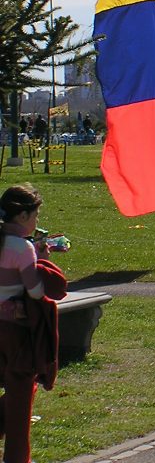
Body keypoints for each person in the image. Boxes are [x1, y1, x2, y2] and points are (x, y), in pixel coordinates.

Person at [0, 184, 66, 463]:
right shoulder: (22, 247)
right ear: (24, 216)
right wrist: (42, 260)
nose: (37, 221)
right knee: (20, 395)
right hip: (14, 330)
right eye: (36, 215)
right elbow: (37, 291)